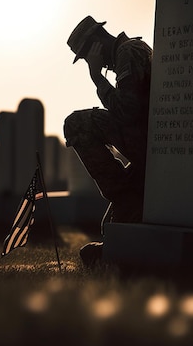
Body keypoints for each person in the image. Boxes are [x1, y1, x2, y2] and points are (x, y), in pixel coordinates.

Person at [63, 16, 152, 266]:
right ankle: (123, 194)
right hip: (146, 145)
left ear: (95, 44)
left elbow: (125, 111)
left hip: (147, 143)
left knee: (75, 124)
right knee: (111, 224)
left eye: (86, 55)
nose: (88, 62)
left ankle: (121, 191)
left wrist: (96, 77)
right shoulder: (129, 51)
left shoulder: (128, 52)